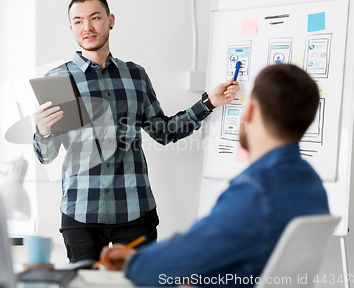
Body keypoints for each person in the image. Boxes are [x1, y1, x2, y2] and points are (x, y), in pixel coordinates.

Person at [33, 0, 240, 263]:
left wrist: (208, 103)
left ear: (110, 20)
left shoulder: (136, 75)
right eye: (79, 21)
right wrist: (43, 131)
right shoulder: (58, 80)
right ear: (71, 27)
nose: (88, 27)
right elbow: (46, 156)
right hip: (80, 210)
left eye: (95, 18)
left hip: (134, 210)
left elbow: (164, 132)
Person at [99, 64, 330, 286]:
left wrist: (137, 263)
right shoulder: (313, 185)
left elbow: (185, 254)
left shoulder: (256, 191)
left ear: (250, 111)